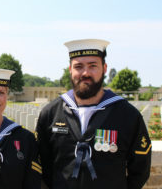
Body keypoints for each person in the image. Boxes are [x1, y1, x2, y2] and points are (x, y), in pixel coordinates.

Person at [36, 39, 151, 189]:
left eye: (93, 66)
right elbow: (43, 165)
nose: (85, 73)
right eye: (79, 66)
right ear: (70, 69)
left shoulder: (128, 115)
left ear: (104, 68)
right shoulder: (51, 113)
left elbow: (140, 169)